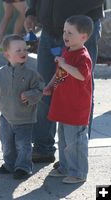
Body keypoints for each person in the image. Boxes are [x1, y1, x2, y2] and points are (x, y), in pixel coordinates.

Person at [24, 0, 104, 163]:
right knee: (45, 87)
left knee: (79, 88)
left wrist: (71, 15)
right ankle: (43, 147)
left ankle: (75, 153)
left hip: (81, 27)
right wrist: (32, 11)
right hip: (50, 29)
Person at [0, 34, 44, 180]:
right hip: (6, 116)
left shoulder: (32, 73)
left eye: (25, 49)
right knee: (6, 143)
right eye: (18, 50)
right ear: (7, 54)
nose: (23, 52)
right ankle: (10, 164)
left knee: (23, 145)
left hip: (24, 117)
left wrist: (30, 94)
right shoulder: (0, 73)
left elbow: (40, 90)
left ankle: (23, 167)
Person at [43, 15, 93, 184]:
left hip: (76, 108)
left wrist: (64, 64)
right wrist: (50, 85)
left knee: (75, 143)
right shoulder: (67, 52)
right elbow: (59, 73)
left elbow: (80, 76)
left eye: (70, 33)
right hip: (63, 105)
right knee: (64, 140)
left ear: (83, 37)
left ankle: (78, 173)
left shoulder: (83, 56)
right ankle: (65, 167)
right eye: (65, 31)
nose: (65, 35)